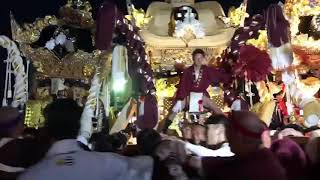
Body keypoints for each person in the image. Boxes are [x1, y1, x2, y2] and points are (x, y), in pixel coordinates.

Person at [19, 99, 153, 180]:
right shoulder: (110, 163)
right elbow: (151, 169)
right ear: (78, 127)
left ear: (46, 130)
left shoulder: (34, 174)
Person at [188, 111, 286, 180]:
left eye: (230, 133)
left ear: (240, 137)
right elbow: (218, 163)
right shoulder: (251, 156)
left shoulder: (255, 168)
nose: (228, 138)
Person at [163, 49, 223, 132]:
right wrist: (180, 99)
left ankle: (226, 126)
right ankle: (163, 129)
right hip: (188, 95)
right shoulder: (187, 71)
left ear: (203, 58)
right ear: (193, 59)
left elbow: (217, 77)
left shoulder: (207, 70)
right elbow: (183, 86)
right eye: (196, 58)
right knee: (174, 110)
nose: (198, 60)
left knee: (215, 107)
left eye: (200, 58)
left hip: (202, 95)